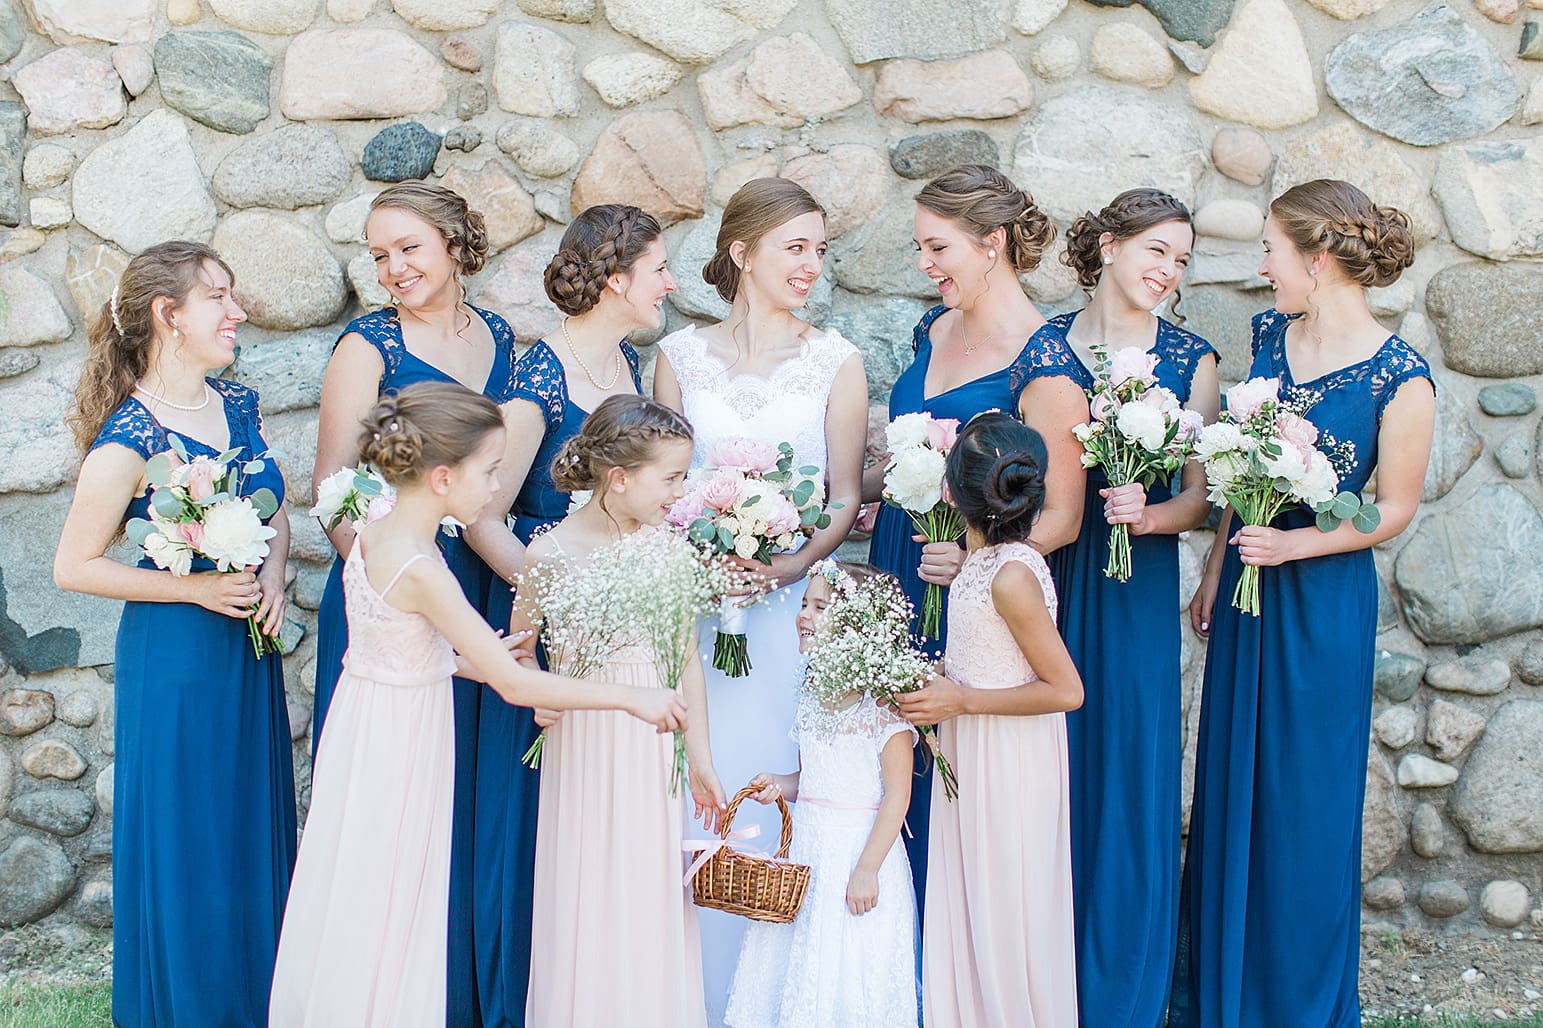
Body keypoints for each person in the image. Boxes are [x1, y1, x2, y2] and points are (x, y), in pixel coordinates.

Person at [270, 383, 688, 1025]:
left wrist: (470, 658)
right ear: (442, 477)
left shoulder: (377, 530)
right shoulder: (426, 570)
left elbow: (402, 648)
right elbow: (517, 684)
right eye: (490, 471)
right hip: (403, 740)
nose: (497, 489)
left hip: (366, 721)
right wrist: (633, 697)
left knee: (354, 885)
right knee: (394, 892)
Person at [1172, 180, 1434, 1028]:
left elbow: (1392, 509)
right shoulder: (1266, 338)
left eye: (1270, 252)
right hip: (1248, 587)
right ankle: (1220, 994)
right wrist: (1216, 568)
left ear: (1315, 260)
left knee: (1304, 803)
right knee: (1229, 788)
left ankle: (1297, 1005)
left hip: (1320, 603)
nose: (1261, 267)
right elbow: (1246, 474)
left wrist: (1298, 544)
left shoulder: (1402, 377)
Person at [54, 241, 296, 1026]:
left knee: (245, 821)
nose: (238, 311)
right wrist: (192, 587)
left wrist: (274, 577)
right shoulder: (128, 438)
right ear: (169, 316)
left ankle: (262, 997)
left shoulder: (240, 404)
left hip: (244, 649)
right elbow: (75, 565)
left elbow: (274, 499)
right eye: (219, 297)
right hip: (178, 658)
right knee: (190, 831)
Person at [653, 177, 867, 1025]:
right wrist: (696, 558)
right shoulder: (677, 356)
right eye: (796, 248)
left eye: (819, 249)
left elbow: (846, 497)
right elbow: (658, 484)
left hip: (784, 622)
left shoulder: (836, 361)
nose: (812, 265)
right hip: (696, 616)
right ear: (741, 252)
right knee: (697, 795)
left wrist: (785, 568)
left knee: (773, 797)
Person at [310, 181, 517, 1023]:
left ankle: (453, 991)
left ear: (455, 244)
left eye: (409, 248)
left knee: (460, 792)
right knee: (385, 812)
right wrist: (393, 583)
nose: (393, 268)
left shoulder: (498, 336)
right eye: (381, 253)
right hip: (397, 591)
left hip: (475, 583)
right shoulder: (368, 344)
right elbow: (333, 490)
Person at [471, 205, 673, 1027]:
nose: (668, 282)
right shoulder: (536, 381)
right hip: (542, 612)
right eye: (658, 267)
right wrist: (565, 599)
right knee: (540, 815)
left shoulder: (629, 361)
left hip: (621, 627)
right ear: (617, 278)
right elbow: (481, 515)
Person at [859, 162, 1058, 921]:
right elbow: (904, 462)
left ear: (992, 243)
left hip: (964, 591)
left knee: (940, 758)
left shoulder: (1044, 356)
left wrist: (971, 562)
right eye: (919, 247)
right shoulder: (932, 328)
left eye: (936, 247)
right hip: (900, 563)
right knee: (884, 752)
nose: (923, 264)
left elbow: (1059, 515)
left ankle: (945, 960)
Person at [1040, 189, 1220, 1027]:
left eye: (1180, 260)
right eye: (1155, 251)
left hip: (1137, 583)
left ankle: (1126, 989)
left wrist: (1144, 516)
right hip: (1055, 580)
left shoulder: (1192, 361)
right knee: (1054, 763)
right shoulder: (1044, 348)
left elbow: (1201, 502)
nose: (1167, 271)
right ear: (1107, 246)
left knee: (1134, 769)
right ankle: (1044, 972)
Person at [518, 394, 723, 1028]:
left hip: (655, 743)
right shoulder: (548, 554)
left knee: (648, 884)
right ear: (619, 478)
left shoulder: (668, 548)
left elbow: (686, 658)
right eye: (671, 478)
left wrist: (701, 760)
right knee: (588, 883)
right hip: (585, 736)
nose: (680, 492)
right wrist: (537, 697)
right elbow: (519, 652)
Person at [895, 412, 1084, 1028]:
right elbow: (991, 657)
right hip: (972, 746)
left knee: (1006, 901)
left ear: (950, 494)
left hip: (1009, 756)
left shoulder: (1010, 575)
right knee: (975, 895)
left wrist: (961, 700)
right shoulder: (982, 565)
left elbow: (1066, 690)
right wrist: (946, 675)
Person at [725, 561, 918, 1028]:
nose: (804, 615)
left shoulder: (882, 709)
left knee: (850, 966)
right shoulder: (812, 693)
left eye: (820, 607)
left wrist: (867, 868)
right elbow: (812, 780)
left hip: (858, 853)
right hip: (811, 852)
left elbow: (897, 795)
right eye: (804, 604)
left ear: (857, 626)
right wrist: (780, 785)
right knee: (800, 962)